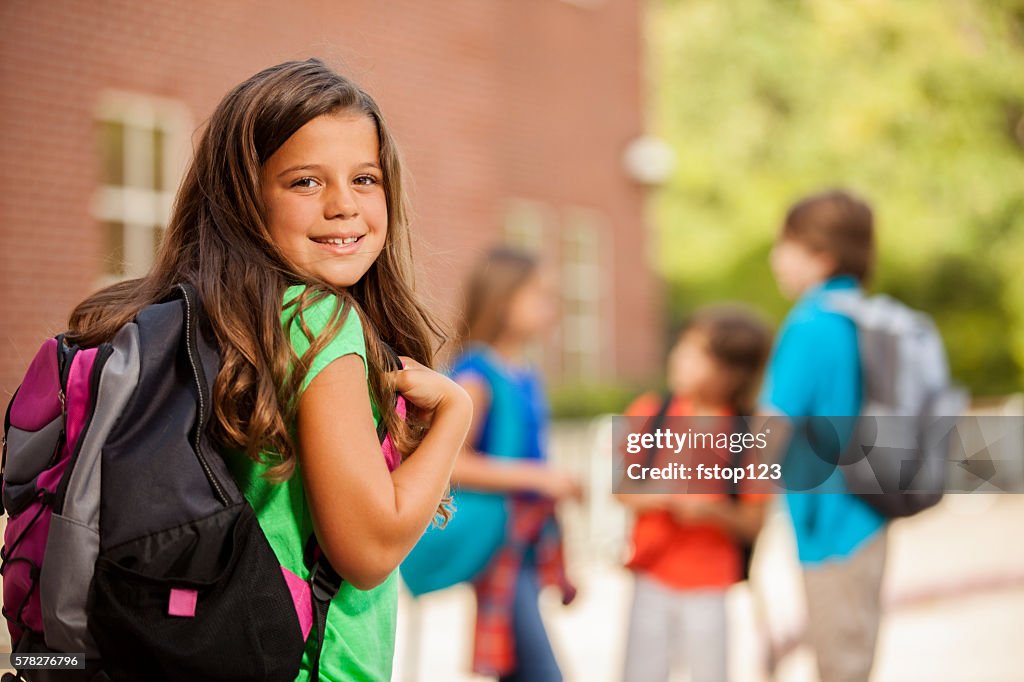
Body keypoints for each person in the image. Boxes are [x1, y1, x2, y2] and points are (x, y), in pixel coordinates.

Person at [65, 58, 472, 681]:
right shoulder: (318, 321)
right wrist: (454, 413)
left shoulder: (210, 316)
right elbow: (367, 550)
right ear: (242, 198)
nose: (344, 206)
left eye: (365, 178)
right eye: (305, 182)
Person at [760, 189, 887, 682]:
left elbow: (772, 426)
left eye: (786, 244)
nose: (776, 257)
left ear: (822, 256)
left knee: (839, 667)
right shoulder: (863, 316)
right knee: (853, 658)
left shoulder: (812, 323)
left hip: (829, 528)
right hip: (868, 515)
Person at [616, 305, 772, 682]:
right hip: (650, 574)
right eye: (681, 348)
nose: (679, 360)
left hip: (709, 586)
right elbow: (621, 487)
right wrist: (657, 494)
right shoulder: (651, 412)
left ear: (732, 374)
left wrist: (710, 511)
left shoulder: (750, 435)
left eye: (697, 354)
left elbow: (754, 524)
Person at [449, 247, 581, 682]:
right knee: (541, 671)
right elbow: (450, 464)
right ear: (504, 301)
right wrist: (539, 478)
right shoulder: (475, 374)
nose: (551, 306)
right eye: (540, 295)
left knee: (518, 666)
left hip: (524, 539)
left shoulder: (524, 372)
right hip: (495, 539)